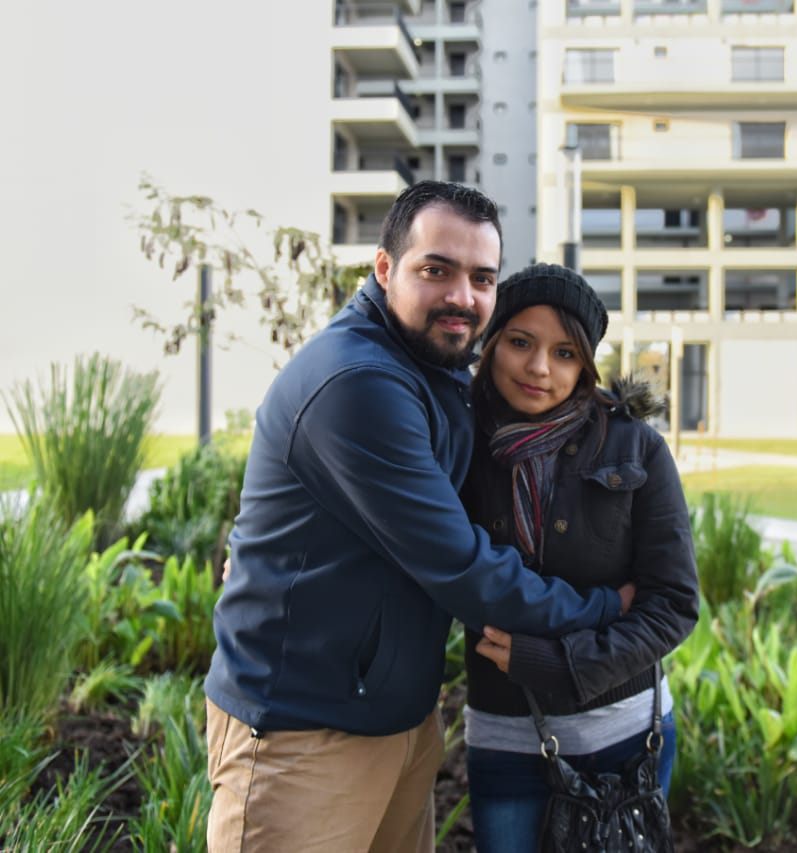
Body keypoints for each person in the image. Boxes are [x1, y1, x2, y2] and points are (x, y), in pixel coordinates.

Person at [203, 184, 631, 853]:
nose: (462, 296)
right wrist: (604, 607)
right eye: (436, 269)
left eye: (481, 278)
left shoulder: (435, 365)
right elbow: (460, 565)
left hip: (395, 719)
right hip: (303, 736)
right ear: (384, 268)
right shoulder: (359, 382)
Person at [458, 263, 700, 852]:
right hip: (506, 738)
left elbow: (673, 603)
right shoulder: (457, 443)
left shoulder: (635, 446)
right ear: (492, 344)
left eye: (564, 353)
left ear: (585, 364)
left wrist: (564, 665)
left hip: (627, 736)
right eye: (521, 343)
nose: (539, 367)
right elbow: (446, 573)